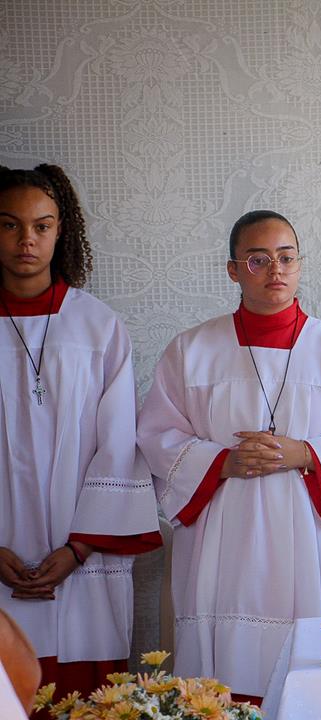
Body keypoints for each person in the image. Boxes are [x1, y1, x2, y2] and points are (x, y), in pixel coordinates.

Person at [137, 210, 321, 701]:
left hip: (316, 536)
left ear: (299, 264)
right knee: (226, 680)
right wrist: (223, 462)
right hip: (226, 535)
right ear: (233, 270)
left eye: (286, 257)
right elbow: (157, 436)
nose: (275, 270)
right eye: (258, 260)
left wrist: (305, 453)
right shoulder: (190, 352)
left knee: (317, 676)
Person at [0, 165, 162, 702]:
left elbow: (119, 444)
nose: (27, 240)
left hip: (82, 558)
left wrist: (79, 547)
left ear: (60, 231)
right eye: (10, 225)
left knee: (85, 703)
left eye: (42, 226)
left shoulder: (97, 326)